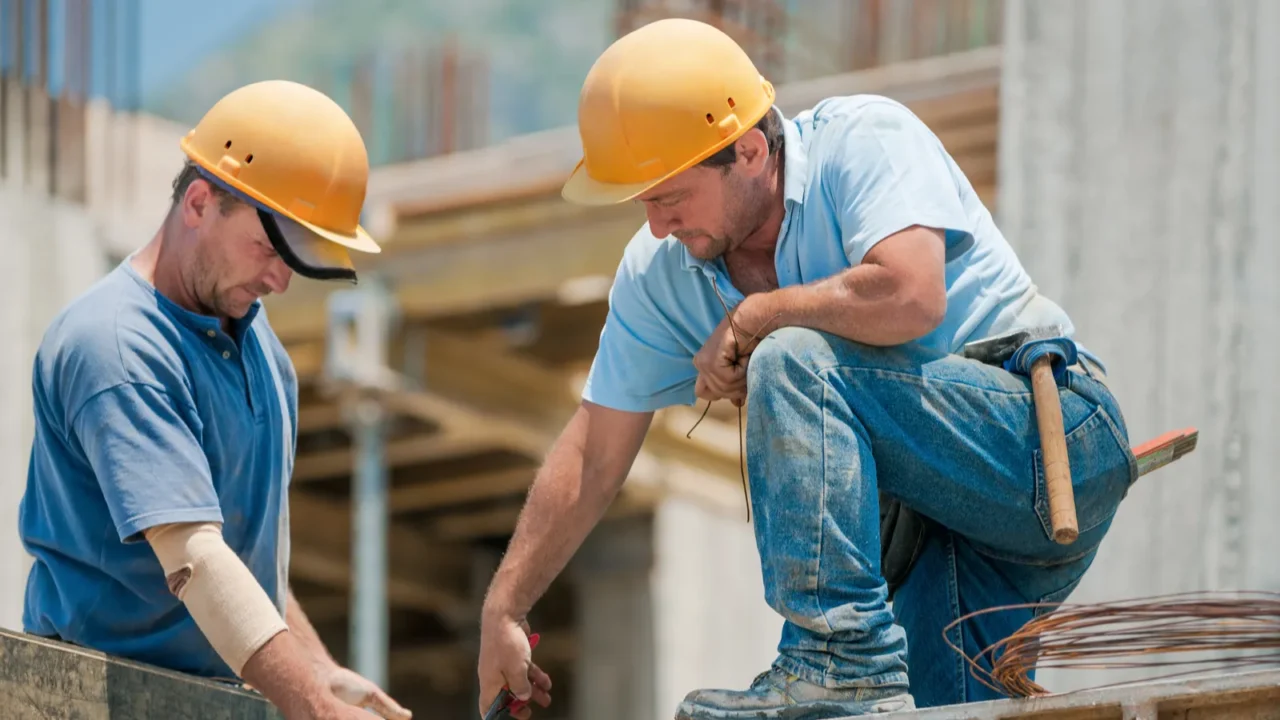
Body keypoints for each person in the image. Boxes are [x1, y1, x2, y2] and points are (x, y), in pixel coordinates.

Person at [477, 18, 1137, 719]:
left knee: (794, 358)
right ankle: (847, 673)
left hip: (1047, 444)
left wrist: (757, 317)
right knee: (949, 713)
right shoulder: (661, 273)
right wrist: (505, 606)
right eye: (644, 202)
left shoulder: (862, 143)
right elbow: (593, 452)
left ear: (752, 150)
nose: (658, 224)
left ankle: (837, 661)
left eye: (669, 196)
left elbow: (912, 295)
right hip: (944, 540)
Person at [19, 80, 411, 720]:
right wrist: (313, 708)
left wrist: (316, 668)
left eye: (298, 257)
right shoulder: (118, 347)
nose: (280, 279)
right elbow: (195, 560)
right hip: (90, 699)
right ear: (199, 202)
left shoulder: (261, 350)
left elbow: (239, 563)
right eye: (270, 247)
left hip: (202, 700)